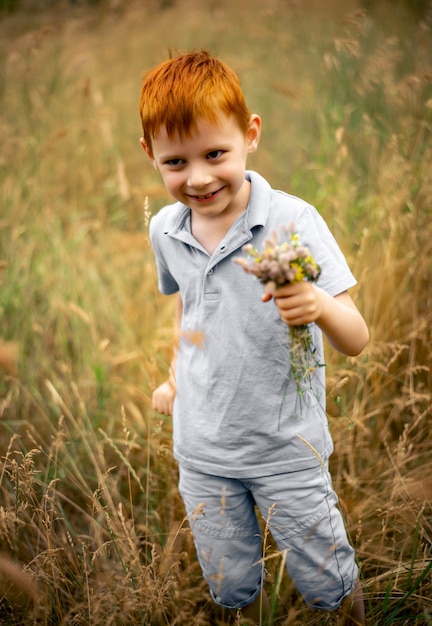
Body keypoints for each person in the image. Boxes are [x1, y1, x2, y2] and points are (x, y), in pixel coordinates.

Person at [139, 49, 369, 625]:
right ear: (149, 155)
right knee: (230, 584)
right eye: (174, 162)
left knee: (328, 582)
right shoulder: (165, 228)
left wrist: (314, 304)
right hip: (203, 450)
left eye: (216, 154)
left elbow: (357, 336)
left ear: (251, 134)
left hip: (286, 449)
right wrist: (174, 377)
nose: (197, 178)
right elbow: (192, 313)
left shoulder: (292, 221)